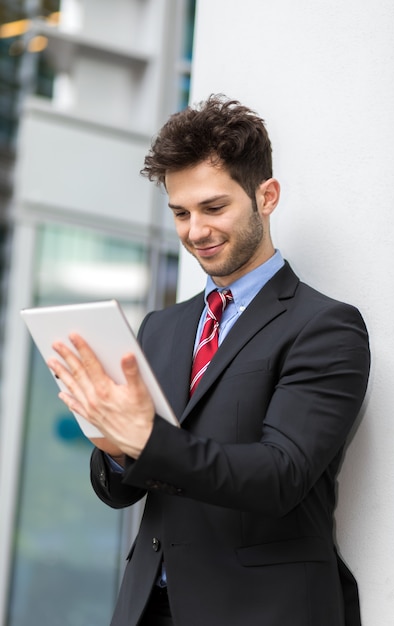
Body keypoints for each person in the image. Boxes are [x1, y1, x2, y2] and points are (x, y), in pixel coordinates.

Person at [48, 95, 370, 626]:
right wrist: (113, 450)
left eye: (214, 208)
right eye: (180, 212)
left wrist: (145, 440)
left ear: (266, 197)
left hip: (261, 609)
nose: (195, 231)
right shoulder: (163, 327)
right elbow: (122, 493)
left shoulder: (325, 327)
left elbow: (279, 476)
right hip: (148, 606)